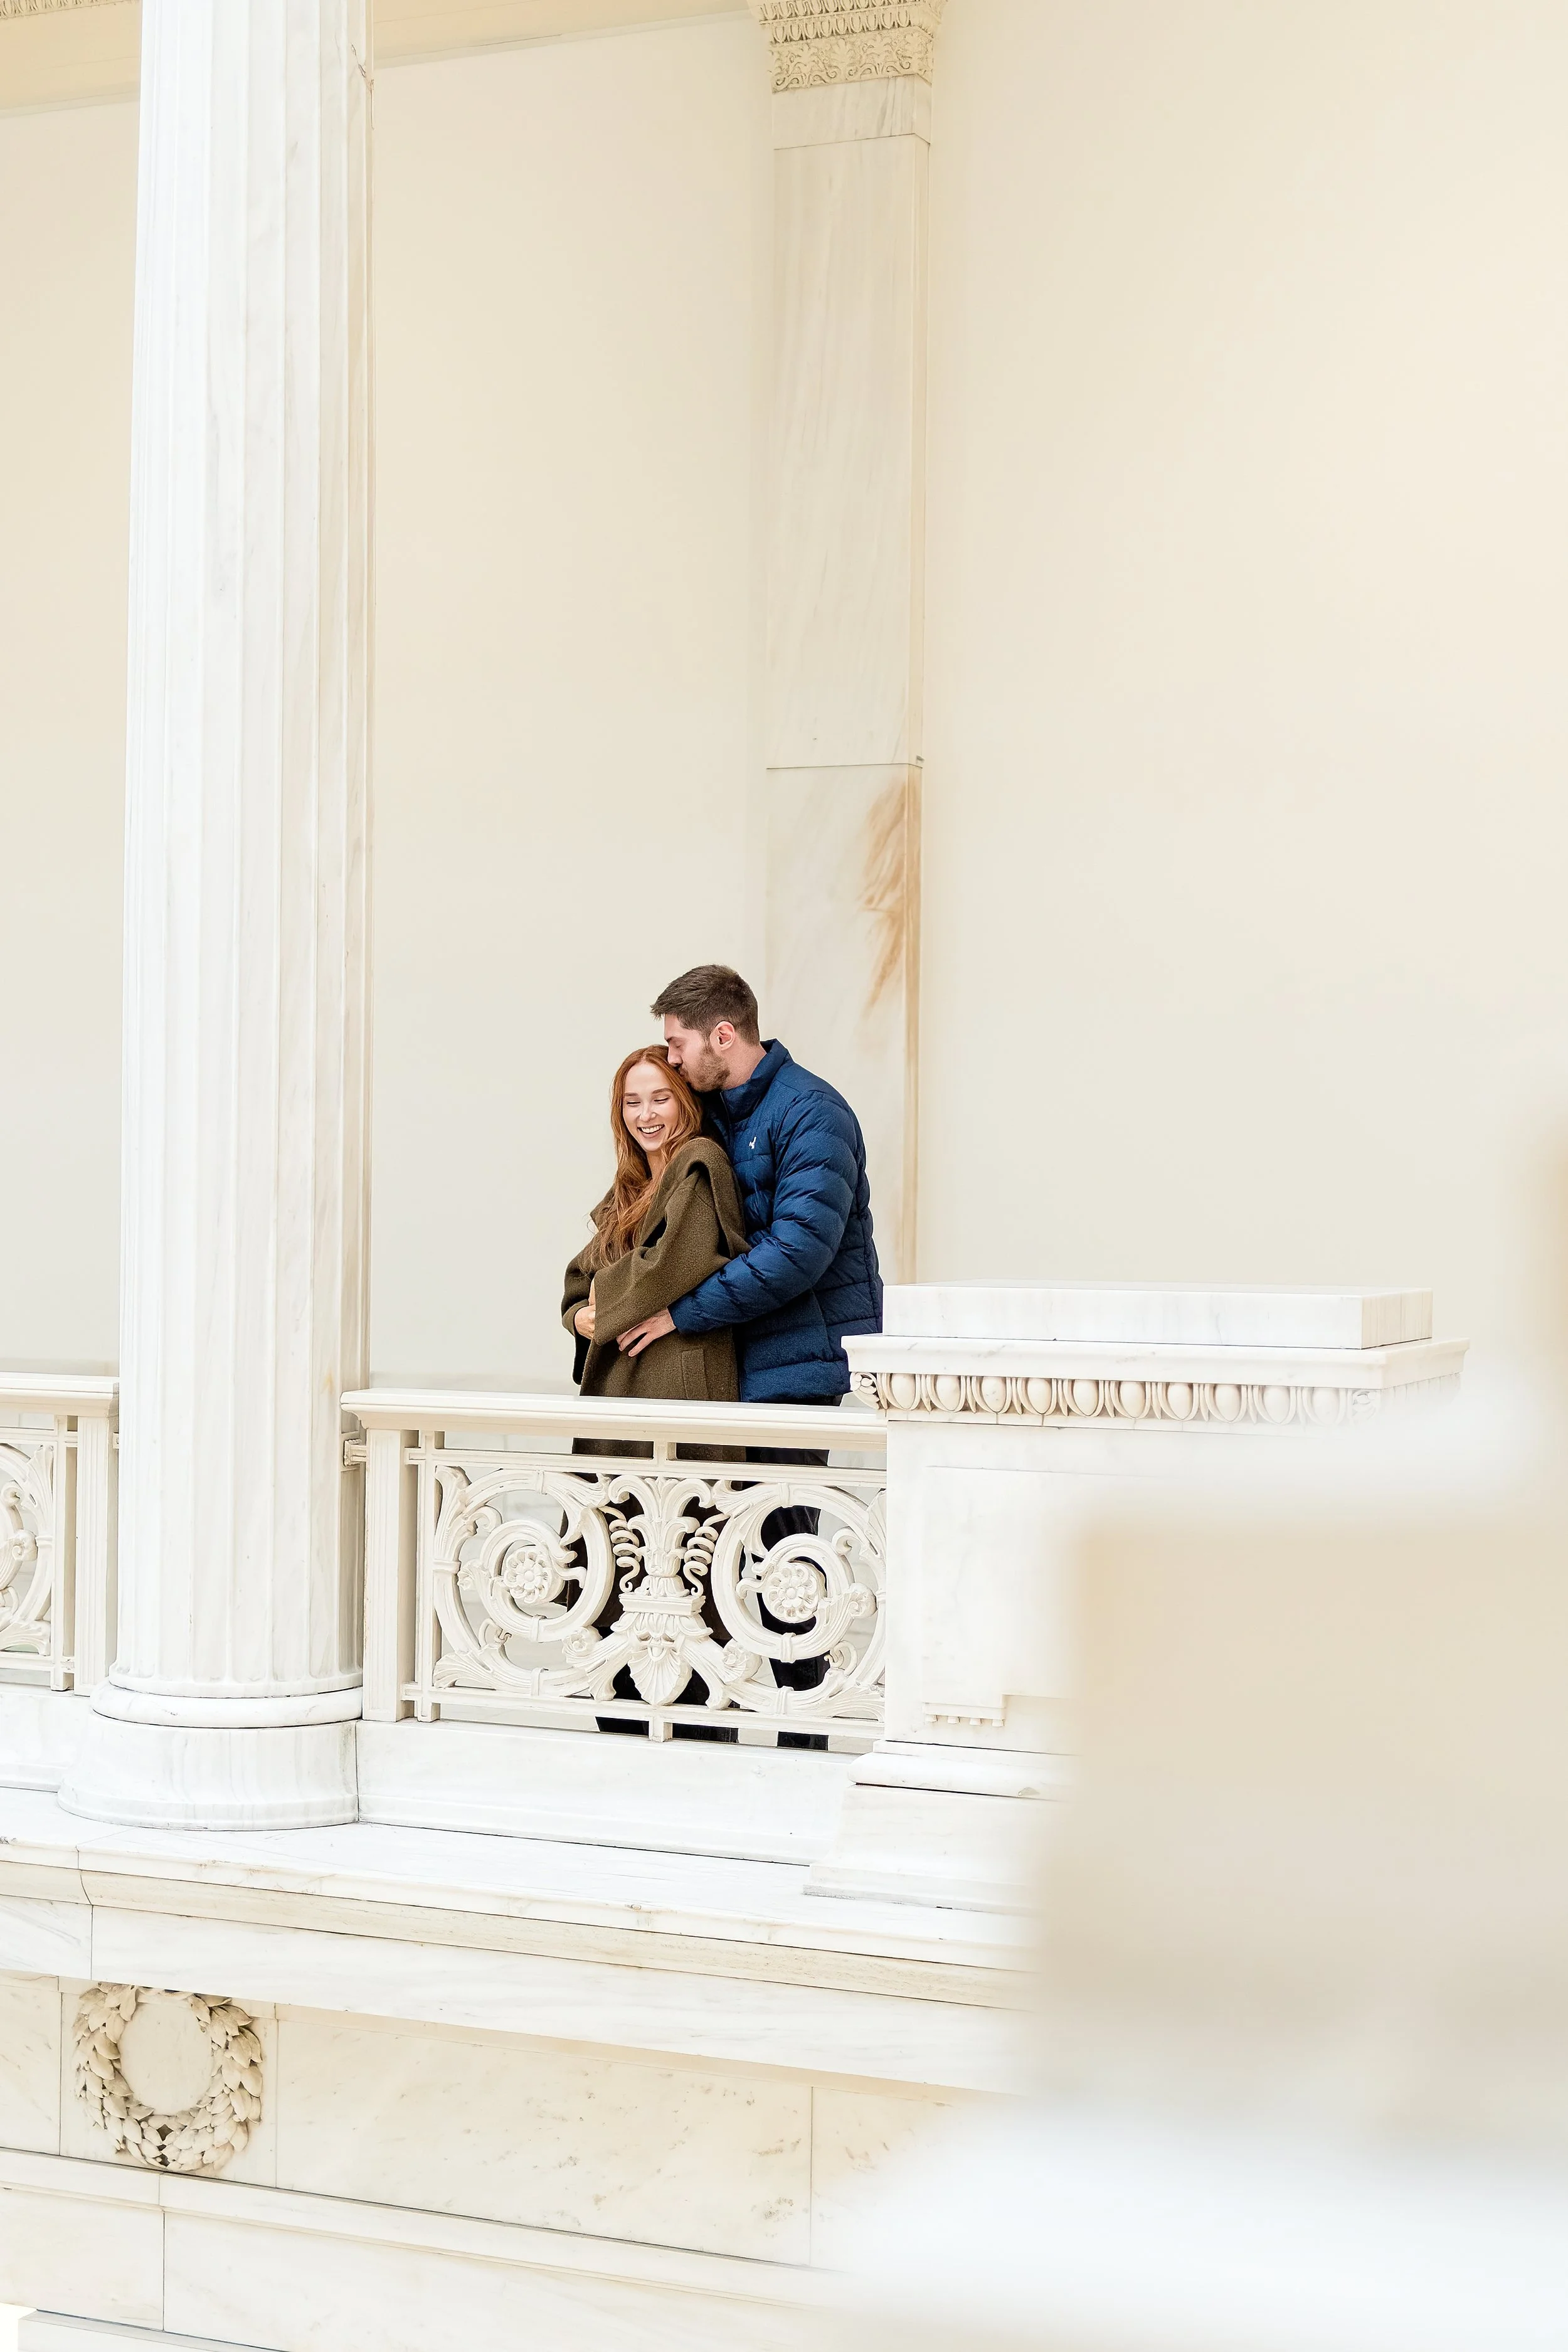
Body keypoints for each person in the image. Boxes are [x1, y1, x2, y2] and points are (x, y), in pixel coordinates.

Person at [615, 966, 883, 1744]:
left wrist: (679, 1313)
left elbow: (800, 1250)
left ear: (722, 1036)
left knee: (781, 1545)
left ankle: (808, 1723)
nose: (670, 1061)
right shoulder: (724, 1117)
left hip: (793, 1368)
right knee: (717, 1540)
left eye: (677, 1044)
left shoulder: (813, 1114)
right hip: (734, 1365)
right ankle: (713, 1721)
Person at [561, 1045, 747, 1407]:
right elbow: (583, 1273)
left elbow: (673, 1261)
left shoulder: (700, 1160)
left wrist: (604, 1289)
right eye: (632, 1103)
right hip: (628, 1380)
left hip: (679, 1381)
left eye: (660, 1099)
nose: (645, 1115)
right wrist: (579, 1314)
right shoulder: (628, 1187)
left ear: (684, 1101)